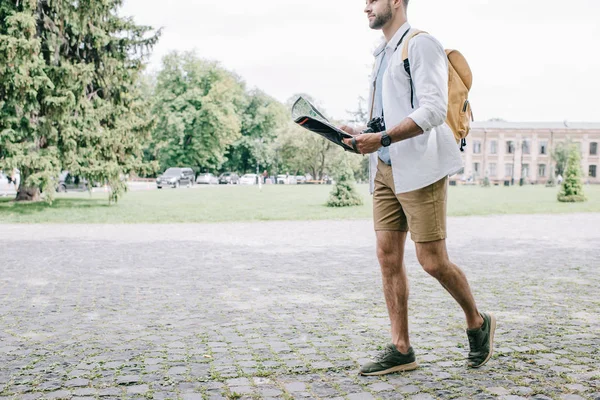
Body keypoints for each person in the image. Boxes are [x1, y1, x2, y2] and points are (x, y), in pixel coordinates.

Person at [339, 0, 495, 376]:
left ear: (396, 1)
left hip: (420, 169)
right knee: (387, 257)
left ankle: (477, 320)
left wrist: (384, 138)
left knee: (431, 261)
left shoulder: (422, 44)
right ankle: (401, 348)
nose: (365, 7)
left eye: (372, 0)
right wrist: (362, 133)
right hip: (385, 170)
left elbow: (433, 110)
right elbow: (388, 117)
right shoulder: (382, 54)